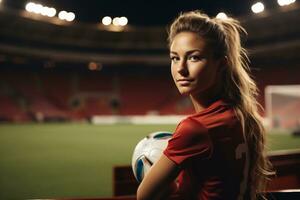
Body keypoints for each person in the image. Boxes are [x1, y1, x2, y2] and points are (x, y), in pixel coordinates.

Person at [137, 11, 273, 200]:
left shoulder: (194, 129)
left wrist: (148, 166)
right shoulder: (240, 114)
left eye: (194, 57)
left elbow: (144, 196)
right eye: (175, 58)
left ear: (221, 64)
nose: (181, 69)